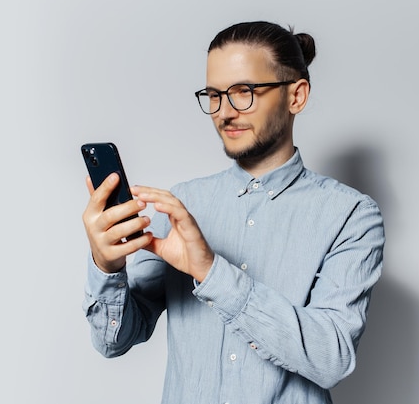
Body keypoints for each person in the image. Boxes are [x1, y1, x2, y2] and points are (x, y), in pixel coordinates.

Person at [81, 21, 385, 404]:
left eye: (244, 92)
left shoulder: (352, 216)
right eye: (214, 95)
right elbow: (114, 341)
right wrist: (107, 266)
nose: (224, 112)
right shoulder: (182, 204)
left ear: (297, 95)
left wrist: (210, 271)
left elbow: (331, 357)